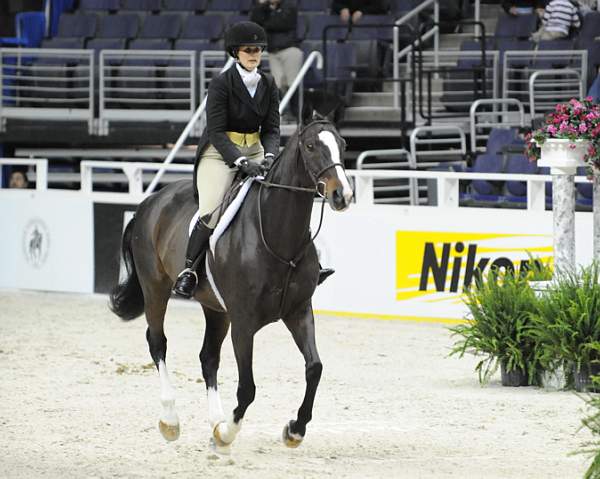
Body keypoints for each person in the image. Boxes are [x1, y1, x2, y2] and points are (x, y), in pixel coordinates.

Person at [173, 21, 333, 299]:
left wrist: (270, 156)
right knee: (211, 210)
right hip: (220, 153)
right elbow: (216, 131)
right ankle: (189, 270)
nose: (255, 54)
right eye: (249, 49)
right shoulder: (222, 84)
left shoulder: (268, 83)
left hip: (256, 149)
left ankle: (309, 265)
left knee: (285, 200)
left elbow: (271, 128)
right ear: (236, 52)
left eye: (259, 49)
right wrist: (240, 162)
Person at [250, 0, 303, 122]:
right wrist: (262, 6)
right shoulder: (266, 8)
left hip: (290, 49)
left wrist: (266, 22)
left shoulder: (289, 6)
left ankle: (297, 115)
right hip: (273, 51)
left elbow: (281, 23)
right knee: (278, 84)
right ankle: (284, 112)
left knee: (292, 83)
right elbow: (254, 20)